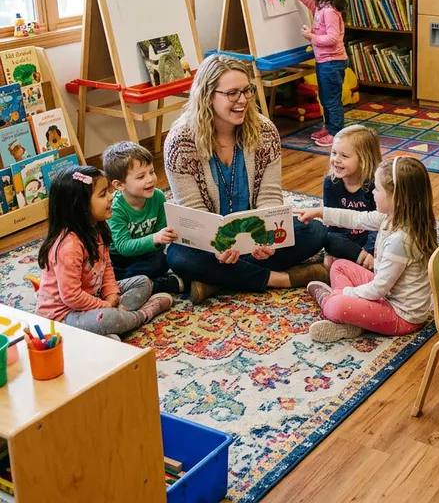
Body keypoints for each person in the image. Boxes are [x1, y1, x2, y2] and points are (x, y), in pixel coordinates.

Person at [163, 54, 328, 304]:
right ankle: (278, 279)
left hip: (254, 232)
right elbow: (192, 210)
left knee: (315, 231)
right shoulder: (180, 142)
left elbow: (269, 195)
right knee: (178, 256)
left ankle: (214, 281)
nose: (242, 100)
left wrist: (266, 237)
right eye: (232, 93)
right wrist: (217, 247)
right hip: (210, 243)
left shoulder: (264, 131)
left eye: (246, 90)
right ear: (207, 96)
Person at [297, 156, 437, 343]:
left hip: (401, 316)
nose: (372, 193)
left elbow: (379, 288)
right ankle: (352, 321)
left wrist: (345, 293)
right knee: (339, 266)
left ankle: (328, 300)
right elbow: (356, 218)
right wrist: (320, 212)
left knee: (335, 306)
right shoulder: (392, 217)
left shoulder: (401, 240)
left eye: (377, 189)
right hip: (387, 294)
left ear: (396, 197)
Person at [35, 166, 173, 338]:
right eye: (102, 195)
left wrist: (111, 293)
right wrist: (105, 306)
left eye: (108, 191)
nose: (111, 197)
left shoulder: (98, 229)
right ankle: (142, 315)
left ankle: (112, 327)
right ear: (80, 206)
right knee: (107, 318)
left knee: (143, 282)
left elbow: (106, 266)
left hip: (94, 297)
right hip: (64, 317)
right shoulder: (68, 246)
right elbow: (71, 297)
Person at [103, 141, 184, 295]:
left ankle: (129, 284)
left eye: (151, 172)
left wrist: (161, 238)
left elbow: (160, 241)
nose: (150, 179)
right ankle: (156, 285)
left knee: (162, 261)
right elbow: (123, 247)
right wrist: (154, 238)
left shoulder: (158, 197)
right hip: (118, 258)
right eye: (141, 176)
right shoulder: (115, 207)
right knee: (105, 274)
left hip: (146, 255)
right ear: (119, 185)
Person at [286, 0, 347, 147]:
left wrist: (311, 37)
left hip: (332, 63)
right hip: (325, 62)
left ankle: (336, 132)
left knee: (331, 100)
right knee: (325, 98)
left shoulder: (330, 12)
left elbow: (333, 38)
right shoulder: (321, 7)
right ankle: (329, 127)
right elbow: (312, 5)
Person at [321, 124, 382, 270]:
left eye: (344, 156)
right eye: (334, 153)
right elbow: (332, 224)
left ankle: (359, 260)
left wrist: (369, 250)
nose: (336, 159)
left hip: (370, 237)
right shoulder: (330, 183)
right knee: (326, 237)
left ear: (364, 160)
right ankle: (360, 260)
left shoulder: (375, 185)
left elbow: (379, 224)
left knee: (388, 238)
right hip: (344, 239)